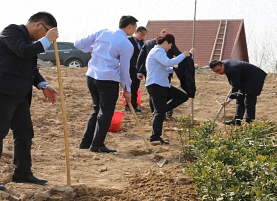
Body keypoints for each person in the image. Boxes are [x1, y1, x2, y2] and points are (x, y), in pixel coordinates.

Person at [0, 12, 59, 191]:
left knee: (24, 133)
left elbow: (31, 68)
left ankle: (22, 172)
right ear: (38, 25)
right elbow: (23, 52)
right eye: (46, 32)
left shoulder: (30, 43)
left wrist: (44, 85)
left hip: (20, 94)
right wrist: (47, 40)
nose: (46, 37)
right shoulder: (12, 31)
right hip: (2, 90)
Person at [76, 15, 137, 153]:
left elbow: (78, 44)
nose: (134, 31)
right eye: (134, 28)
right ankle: (97, 144)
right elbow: (124, 69)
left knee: (97, 110)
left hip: (91, 76)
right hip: (108, 80)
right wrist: (127, 89)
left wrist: (94, 49)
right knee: (105, 113)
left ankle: (85, 142)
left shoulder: (103, 32)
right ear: (129, 26)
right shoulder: (127, 44)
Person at [146, 33, 191, 144]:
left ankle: (161, 110)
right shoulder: (157, 51)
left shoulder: (160, 52)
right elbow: (168, 63)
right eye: (170, 45)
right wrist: (183, 55)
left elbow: (165, 67)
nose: (170, 48)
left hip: (162, 84)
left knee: (182, 96)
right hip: (156, 85)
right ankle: (155, 137)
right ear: (165, 42)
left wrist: (176, 69)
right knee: (159, 112)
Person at [209, 59, 267, 125]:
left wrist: (228, 101)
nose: (218, 72)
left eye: (218, 70)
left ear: (222, 65)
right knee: (240, 98)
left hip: (255, 77)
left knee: (249, 101)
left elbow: (235, 86)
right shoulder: (224, 65)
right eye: (215, 71)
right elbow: (235, 84)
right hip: (244, 78)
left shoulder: (232, 69)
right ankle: (237, 120)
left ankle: (250, 123)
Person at [125, 26, 147, 113]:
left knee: (136, 86)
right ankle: (128, 105)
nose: (142, 36)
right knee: (129, 86)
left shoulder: (142, 43)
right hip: (129, 67)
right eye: (141, 34)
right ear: (136, 32)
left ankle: (134, 104)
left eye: (144, 35)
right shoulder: (129, 40)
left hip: (138, 68)